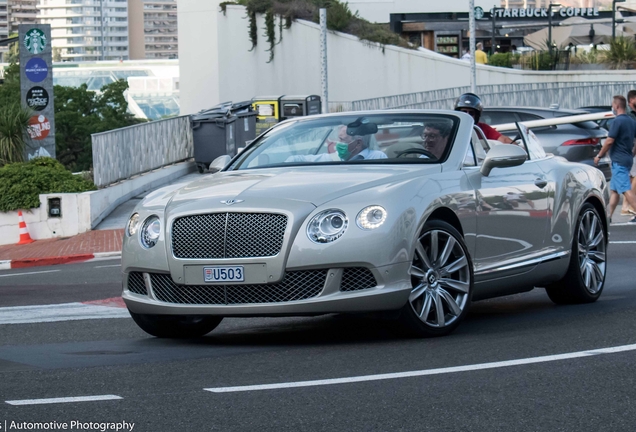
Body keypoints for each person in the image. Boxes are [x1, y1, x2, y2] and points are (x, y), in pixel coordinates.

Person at [594, 95, 636, 223]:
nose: (612, 107)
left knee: (625, 189)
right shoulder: (631, 121)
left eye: (613, 105)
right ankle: (608, 217)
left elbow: (609, 141)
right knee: (614, 191)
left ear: (617, 106)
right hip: (627, 158)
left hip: (619, 160)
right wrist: (632, 153)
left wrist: (599, 155)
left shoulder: (617, 121)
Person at [286, 126, 387, 163]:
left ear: (358, 143)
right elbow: (301, 160)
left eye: (342, 140)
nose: (338, 144)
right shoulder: (334, 159)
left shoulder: (377, 157)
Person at [622, 89, 636, 216]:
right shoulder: (629, 115)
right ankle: (630, 207)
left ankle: (627, 207)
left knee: (631, 179)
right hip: (631, 150)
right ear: (631, 100)